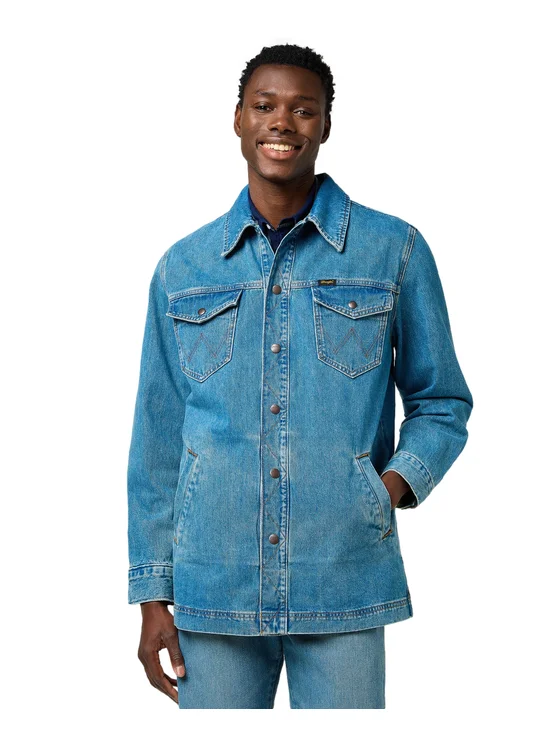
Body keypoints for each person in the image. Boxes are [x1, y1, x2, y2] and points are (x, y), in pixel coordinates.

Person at [127, 43, 474, 709]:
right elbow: (157, 440)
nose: (281, 122)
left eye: (302, 109)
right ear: (238, 119)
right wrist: (151, 593)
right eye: (264, 106)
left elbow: (442, 401)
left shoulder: (392, 250)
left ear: (325, 125)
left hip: (343, 577)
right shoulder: (183, 267)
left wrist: (386, 489)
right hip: (212, 586)